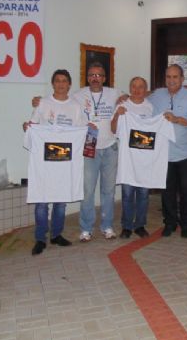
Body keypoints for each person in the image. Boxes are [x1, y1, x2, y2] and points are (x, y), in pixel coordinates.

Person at [23, 69, 85, 255]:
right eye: (57, 80)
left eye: (64, 81)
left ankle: (56, 235)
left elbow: (81, 130)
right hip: (44, 162)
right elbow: (32, 125)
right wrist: (26, 127)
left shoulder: (75, 106)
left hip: (65, 162)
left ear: (69, 84)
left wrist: (88, 129)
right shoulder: (42, 103)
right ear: (53, 84)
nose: (61, 84)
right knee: (42, 201)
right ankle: (40, 238)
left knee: (61, 201)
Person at [149, 64, 187, 238]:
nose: (171, 80)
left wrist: (176, 119)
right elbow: (140, 99)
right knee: (167, 191)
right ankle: (169, 222)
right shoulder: (157, 95)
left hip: (186, 153)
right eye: (168, 77)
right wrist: (124, 97)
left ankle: (186, 224)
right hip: (164, 153)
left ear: (182, 79)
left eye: (175, 77)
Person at [73, 62, 122, 241]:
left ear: (104, 78)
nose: (95, 78)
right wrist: (39, 101)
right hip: (89, 147)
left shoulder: (114, 93)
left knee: (108, 191)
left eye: (99, 75)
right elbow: (63, 107)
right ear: (87, 78)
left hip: (110, 148)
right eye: (92, 75)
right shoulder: (77, 96)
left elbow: (136, 96)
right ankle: (86, 228)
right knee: (87, 191)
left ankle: (107, 226)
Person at [111, 77, 154, 239]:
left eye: (141, 87)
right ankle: (127, 226)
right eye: (134, 86)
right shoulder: (123, 105)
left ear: (145, 89)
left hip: (145, 159)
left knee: (143, 194)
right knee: (128, 194)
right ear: (130, 88)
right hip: (128, 159)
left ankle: (140, 225)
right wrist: (117, 115)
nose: (137, 90)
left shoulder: (150, 107)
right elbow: (113, 130)